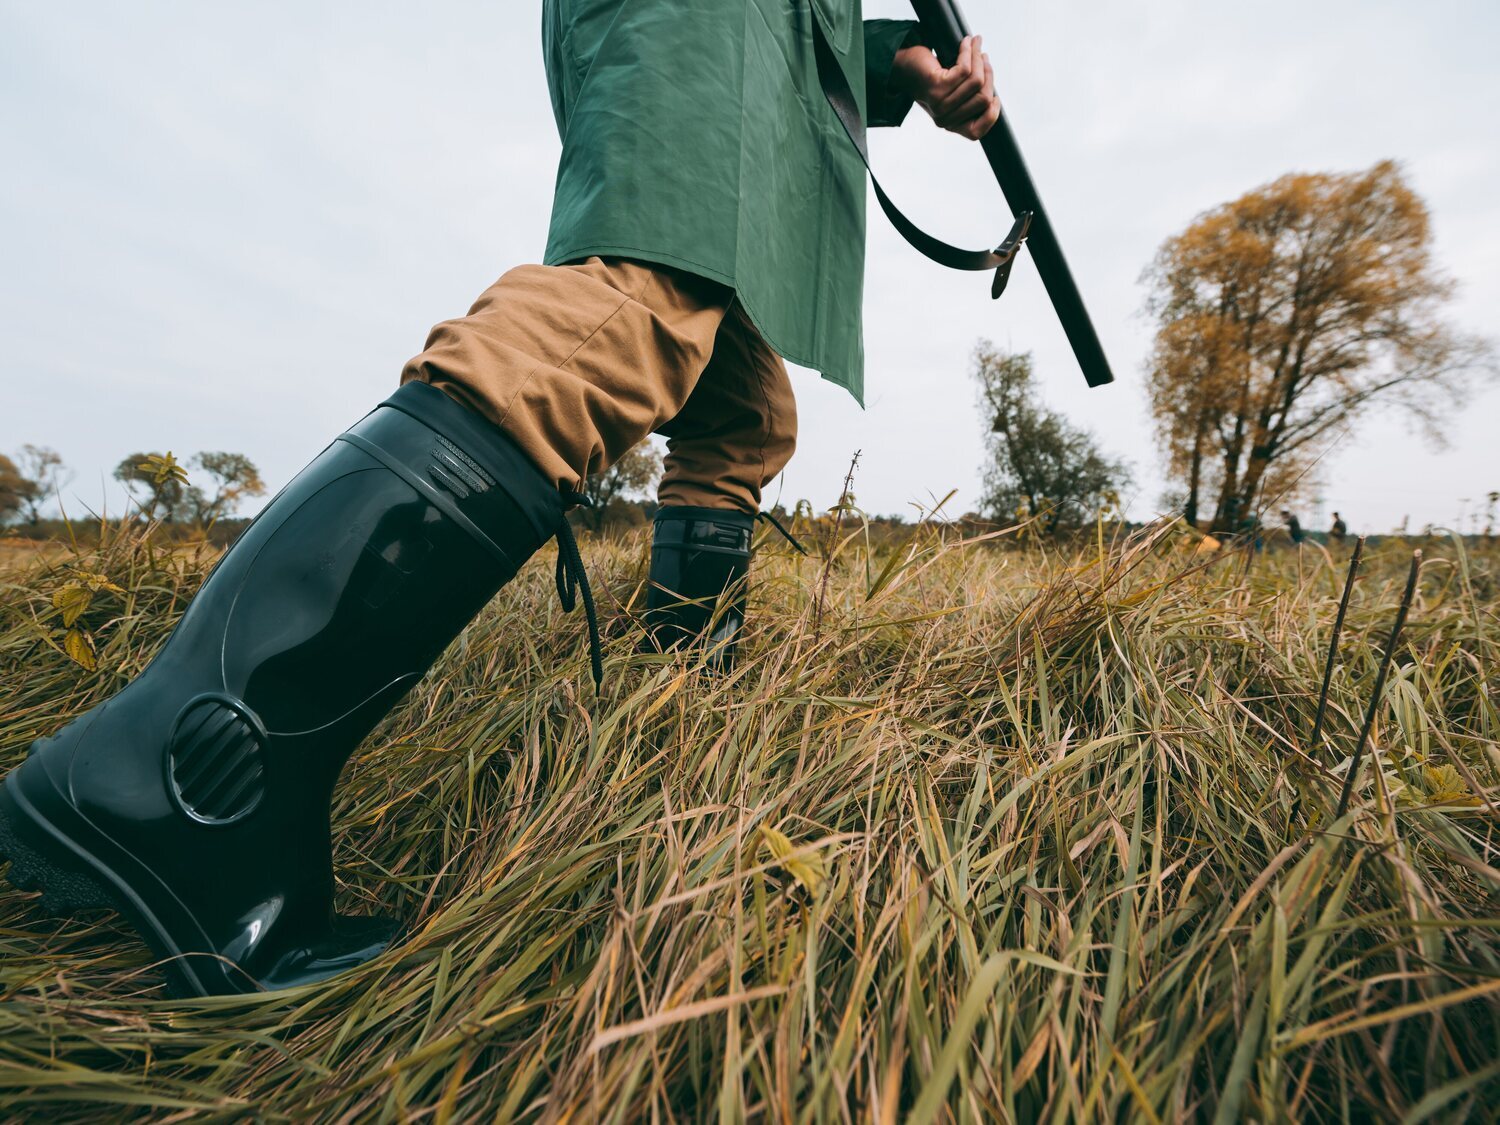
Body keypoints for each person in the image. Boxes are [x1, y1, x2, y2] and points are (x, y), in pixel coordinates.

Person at [0, 2, 1002, 995]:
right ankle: (184, 768)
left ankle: (680, 706)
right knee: (638, 307)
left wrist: (900, 65)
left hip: (748, 39)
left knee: (741, 409)